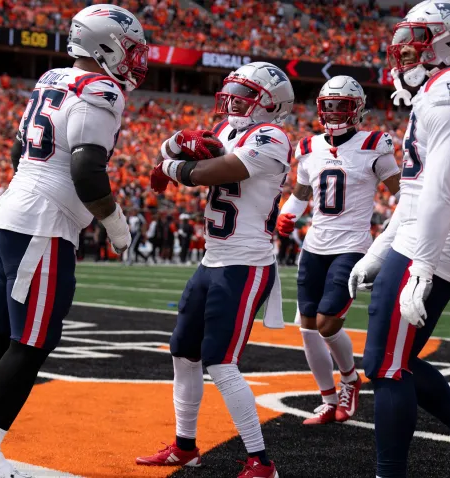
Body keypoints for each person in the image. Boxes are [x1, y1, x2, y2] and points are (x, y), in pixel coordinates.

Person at [0, 5, 146, 478]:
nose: (134, 58)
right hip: (43, 224)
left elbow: (17, 149)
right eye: (129, 47)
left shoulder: (52, 79)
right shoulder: (100, 88)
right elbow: (87, 169)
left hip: (11, 212)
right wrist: (116, 223)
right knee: (32, 342)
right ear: (105, 45)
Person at [348, 2, 450, 476]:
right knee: (389, 360)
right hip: (427, 238)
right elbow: (417, 192)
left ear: (449, 41)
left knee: (388, 368)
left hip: (436, 246)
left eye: (416, 38)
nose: (403, 50)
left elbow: (440, 188)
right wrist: (379, 251)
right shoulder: (439, 91)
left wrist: (420, 266)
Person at [139, 61, 294, 478]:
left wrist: (170, 168)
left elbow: (212, 171)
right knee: (184, 353)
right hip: (212, 260)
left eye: (245, 95)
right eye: (232, 92)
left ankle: (261, 462)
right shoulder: (227, 130)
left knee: (221, 362)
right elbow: (172, 153)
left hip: (246, 264)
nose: (232, 101)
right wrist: (176, 141)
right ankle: (185, 447)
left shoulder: (272, 136)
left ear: (269, 103)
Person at [276, 75, 400, 425]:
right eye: (328, 106)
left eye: (341, 106)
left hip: (351, 245)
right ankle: (328, 399)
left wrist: (392, 237)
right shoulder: (308, 147)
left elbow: (402, 195)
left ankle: (349, 378)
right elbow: (301, 195)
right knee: (307, 325)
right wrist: (287, 216)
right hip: (315, 245)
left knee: (328, 321)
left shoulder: (373, 144)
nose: (332, 112)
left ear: (357, 108)